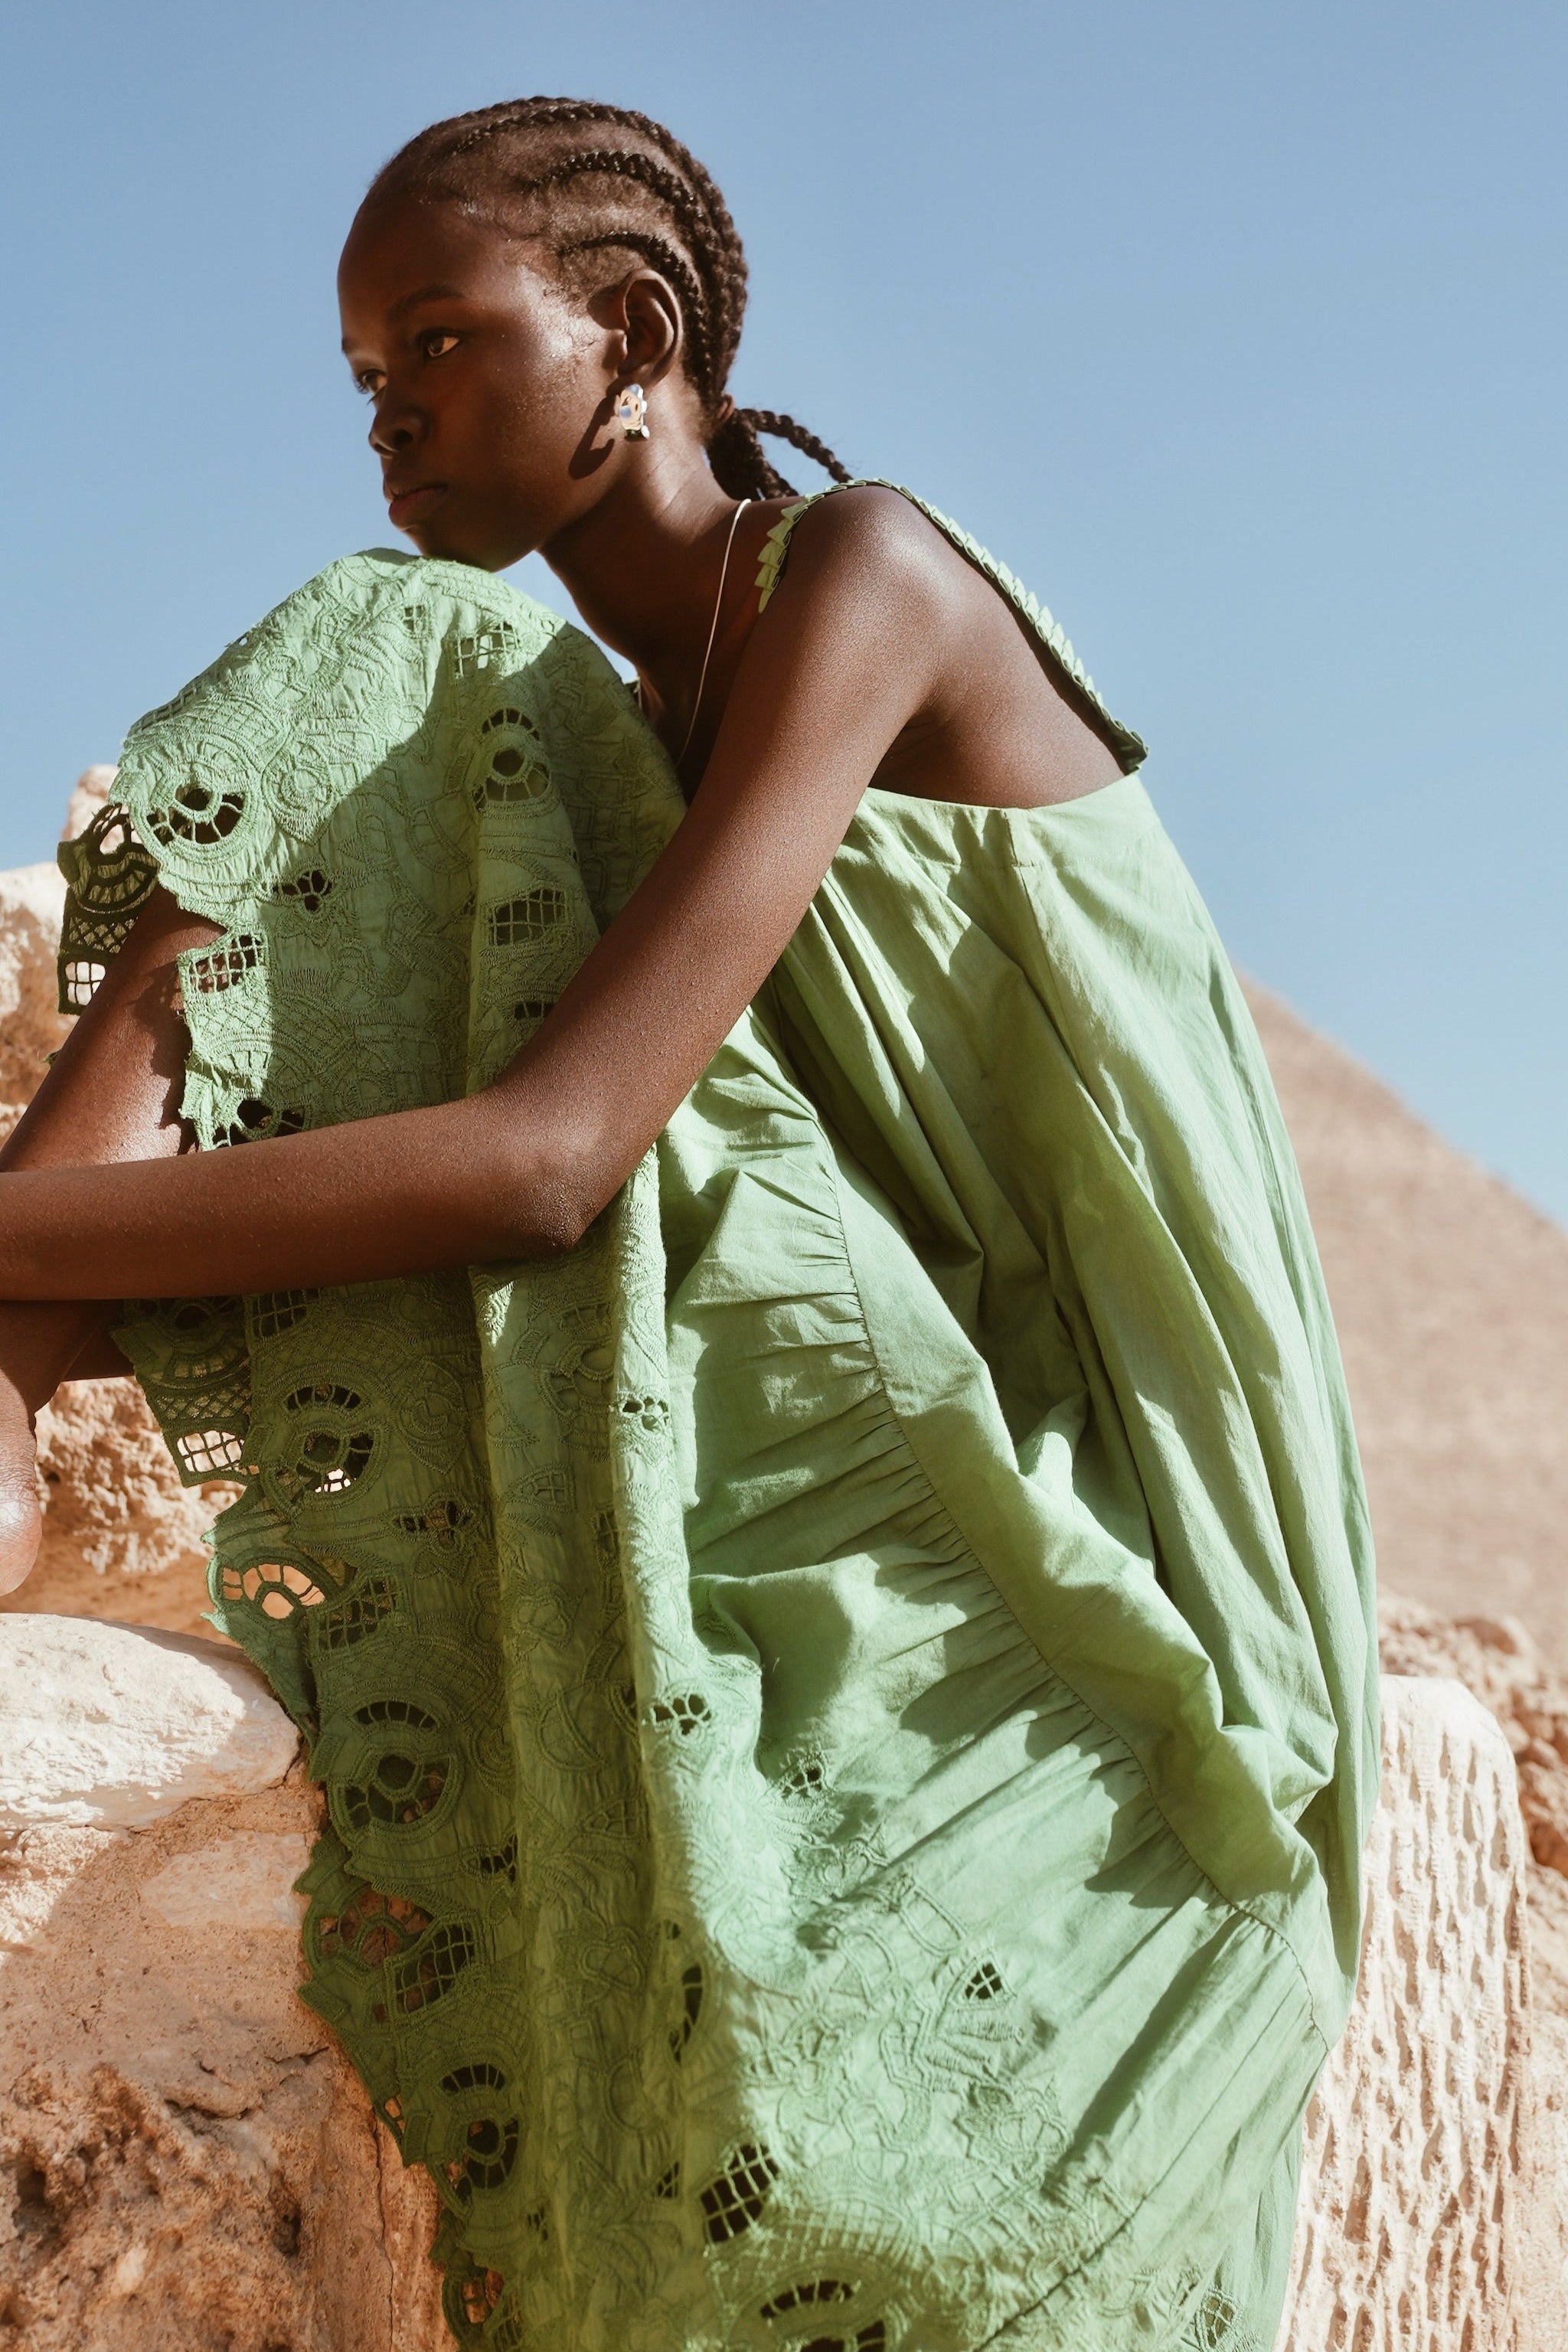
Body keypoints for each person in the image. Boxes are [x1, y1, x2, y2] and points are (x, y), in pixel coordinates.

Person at [0, 98, 1376, 2352]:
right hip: (914, 1378)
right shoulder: (620, 729)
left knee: (383, 644)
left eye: (441, 341)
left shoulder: (865, 578)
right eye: (363, 378)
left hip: (1141, 1512)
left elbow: (555, 1156)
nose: (390, 415)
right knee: (397, 702)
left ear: (634, 334)